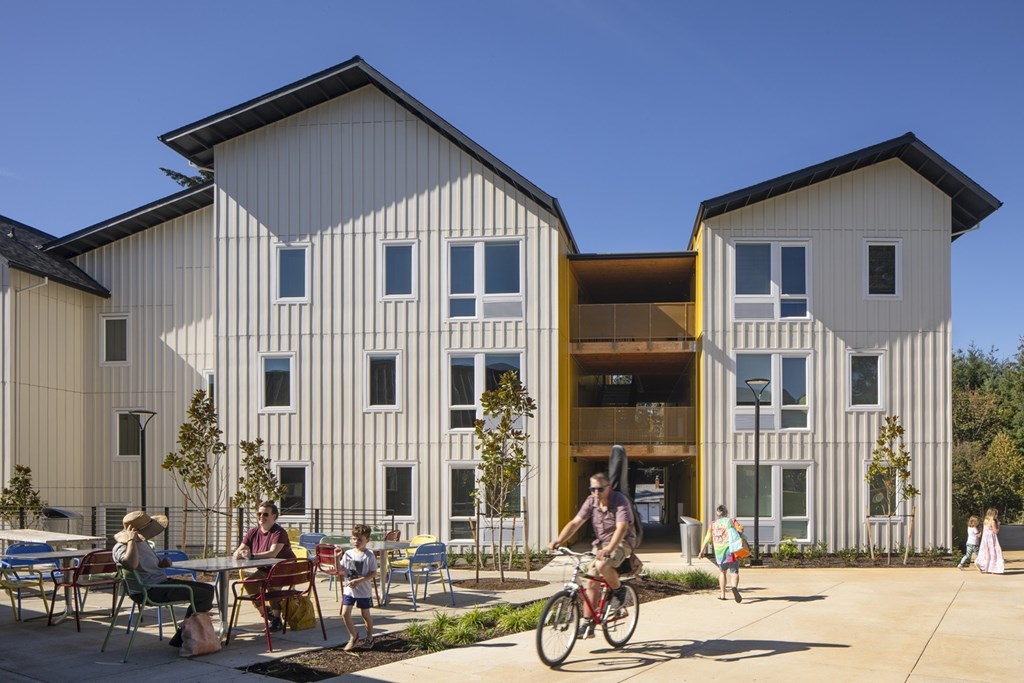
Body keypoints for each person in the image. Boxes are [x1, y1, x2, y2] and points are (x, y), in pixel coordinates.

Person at [548, 472, 636, 638]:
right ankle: (588, 624)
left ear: (609, 488)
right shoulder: (591, 501)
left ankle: (619, 591)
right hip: (601, 545)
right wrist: (559, 540)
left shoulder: (619, 500)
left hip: (622, 542)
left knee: (602, 565)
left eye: (600, 489)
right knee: (590, 580)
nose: (596, 492)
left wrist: (609, 549)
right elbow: (575, 523)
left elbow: (622, 527)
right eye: (592, 489)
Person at [112, 510, 215, 648]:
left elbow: (148, 565)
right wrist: (131, 540)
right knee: (203, 595)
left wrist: (162, 564)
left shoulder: (143, 542)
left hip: (161, 583)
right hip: (149, 590)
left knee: (208, 589)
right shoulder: (120, 547)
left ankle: (186, 634)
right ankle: (186, 635)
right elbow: (131, 564)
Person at [232, 500, 296, 631]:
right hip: (266, 569)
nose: (261, 517)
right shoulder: (253, 532)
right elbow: (239, 549)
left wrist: (252, 555)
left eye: (265, 514)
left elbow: (273, 553)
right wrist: (238, 553)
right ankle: (267, 614)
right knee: (249, 583)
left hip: (284, 568)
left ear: (274, 516)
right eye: (259, 514)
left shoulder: (279, 532)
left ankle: (276, 619)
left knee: (272, 584)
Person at [340, 524, 378, 651]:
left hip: (363, 591)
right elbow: (340, 569)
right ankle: (353, 636)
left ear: (367, 540)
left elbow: (373, 573)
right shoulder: (348, 554)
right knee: (345, 613)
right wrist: (335, 558)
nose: (356, 542)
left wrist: (359, 580)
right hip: (349, 590)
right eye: (354, 539)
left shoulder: (369, 555)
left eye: (360, 539)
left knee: (365, 614)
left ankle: (369, 637)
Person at [698, 504, 745, 603]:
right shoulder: (730, 521)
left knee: (722, 572)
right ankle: (734, 587)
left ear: (717, 514)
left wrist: (701, 551)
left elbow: (707, 537)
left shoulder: (713, 524)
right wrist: (740, 529)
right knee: (734, 572)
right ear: (726, 513)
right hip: (731, 551)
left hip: (719, 552)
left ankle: (722, 594)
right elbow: (740, 530)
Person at [974, 507, 1005, 574]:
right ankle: (993, 567)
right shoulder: (992, 521)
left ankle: (981, 564)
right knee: (993, 552)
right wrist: (998, 525)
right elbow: (995, 531)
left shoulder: (985, 520)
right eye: (996, 514)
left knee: (985, 552)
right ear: (993, 514)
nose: (997, 515)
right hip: (991, 538)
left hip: (985, 538)